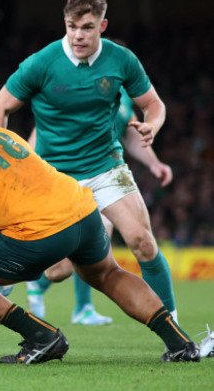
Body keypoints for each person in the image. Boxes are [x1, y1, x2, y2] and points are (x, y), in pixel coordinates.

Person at [0, 114, 200, 363]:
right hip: (82, 209)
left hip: (38, 232)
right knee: (109, 274)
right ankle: (181, 344)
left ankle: (41, 336)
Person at [0, 0, 179, 324]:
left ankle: (175, 331)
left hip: (105, 167)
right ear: (65, 23)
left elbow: (153, 105)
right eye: (73, 26)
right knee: (59, 269)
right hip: (54, 176)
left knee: (143, 243)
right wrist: (0, 162)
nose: (79, 35)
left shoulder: (122, 60)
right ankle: (17, 276)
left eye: (87, 27)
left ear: (102, 25)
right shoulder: (41, 62)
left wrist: (154, 125)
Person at [24, 88, 174, 324]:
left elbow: (129, 133)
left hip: (102, 178)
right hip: (63, 180)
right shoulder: (69, 84)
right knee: (60, 269)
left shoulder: (122, 97)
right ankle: (36, 280)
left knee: (118, 244)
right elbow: (40, 132)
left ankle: (83, 308)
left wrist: (154, 164)